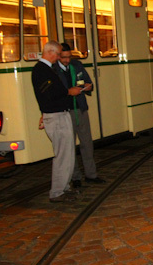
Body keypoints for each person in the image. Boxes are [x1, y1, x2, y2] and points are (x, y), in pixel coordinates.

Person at [31, 41, 83, 202]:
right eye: (59, 54)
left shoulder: (45, 69)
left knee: (67, 154)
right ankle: (57, 192)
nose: (59, 57)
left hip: (58, 114)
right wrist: (69, 92)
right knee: (62, 155)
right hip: (56, 116)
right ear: (51, 52)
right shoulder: (42, 70)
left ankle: (64, 187)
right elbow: (49, 94)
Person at [57, 43, 106, 188]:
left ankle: (91, 174)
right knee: (69, 146)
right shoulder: (54, 70)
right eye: (64, 57)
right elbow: (55, 92)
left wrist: (88, 86)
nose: (67, 60)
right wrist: (67, 92)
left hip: (80, 108)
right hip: (65, 111)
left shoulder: (76, 65)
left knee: (87, 143)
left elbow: (88, 81)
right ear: (58, 56)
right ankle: (75, 176)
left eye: (68, 57)